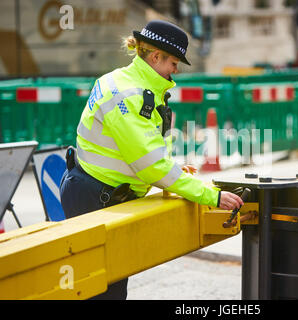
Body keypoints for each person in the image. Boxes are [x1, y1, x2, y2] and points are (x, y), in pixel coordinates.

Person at [59, 20, 244, 300]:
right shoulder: (128, 94)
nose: (175, 70)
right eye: (173, 62)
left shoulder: (125, 81)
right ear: (156, 57)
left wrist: (172, 171)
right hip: (94, 198)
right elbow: (150, 165)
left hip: (97, 192)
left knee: (108, 286)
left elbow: (141, 151)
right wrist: (211, 196)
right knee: (102, 292)